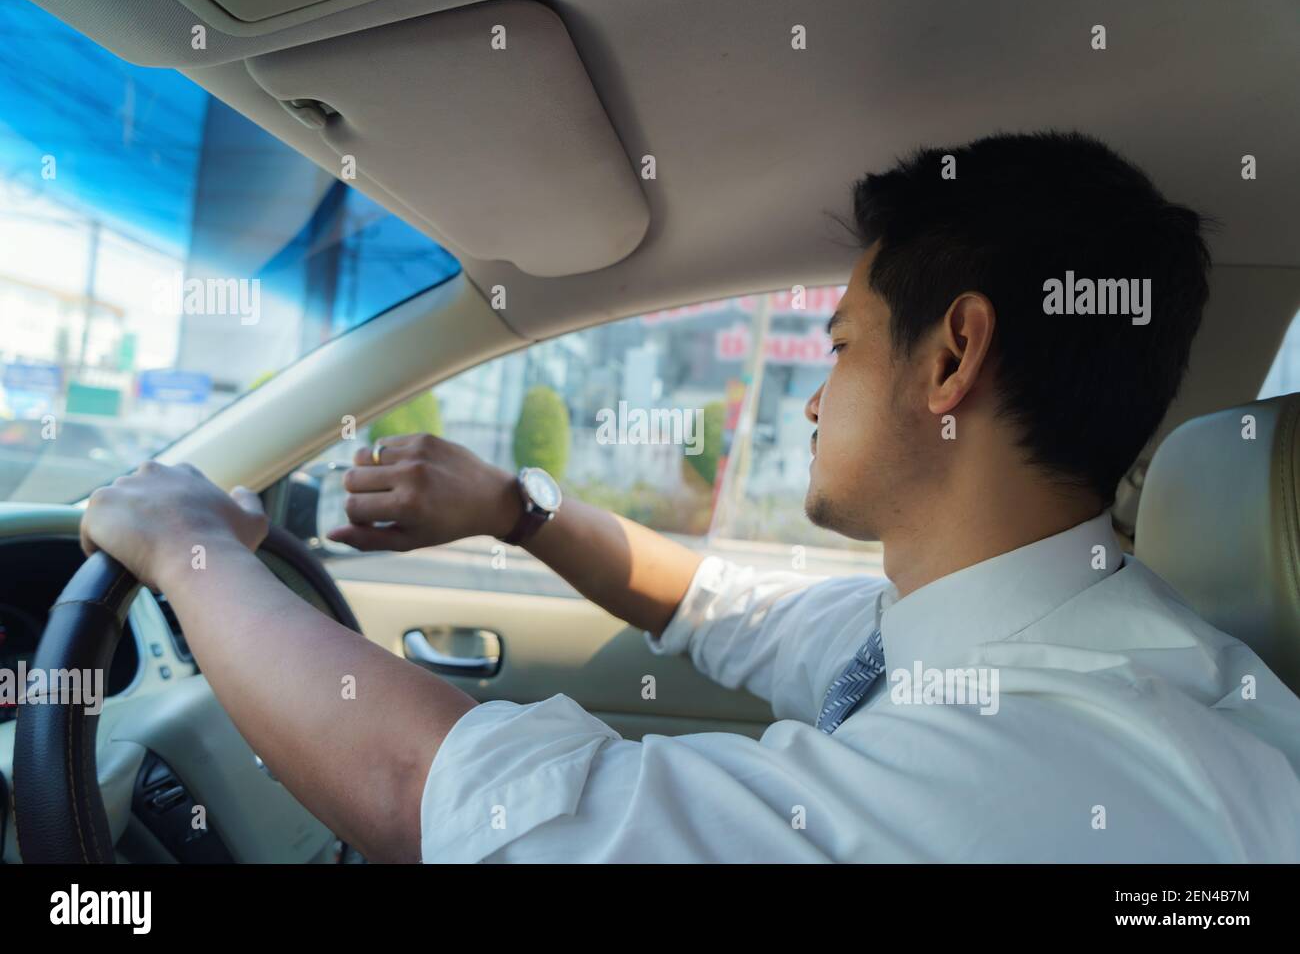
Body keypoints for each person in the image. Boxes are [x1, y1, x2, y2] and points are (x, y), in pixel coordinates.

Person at [81, 131, 1300, 862]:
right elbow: (723, 603)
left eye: (838, 346)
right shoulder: (1020, 630)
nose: (818, 400)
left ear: (949, 358)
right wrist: (517, 510)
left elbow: (429, 797)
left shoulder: (1039, 767)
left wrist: (191, 549)